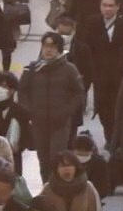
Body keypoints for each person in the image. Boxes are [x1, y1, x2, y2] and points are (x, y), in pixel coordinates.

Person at [18, 32, 85, 182]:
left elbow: (79, 93)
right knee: (43, 160)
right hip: (39, 122)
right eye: (45, 46)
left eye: (53, 46)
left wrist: (66, 111)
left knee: (56, 158)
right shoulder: (33, 69)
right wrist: (30, 110)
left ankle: (58, 188)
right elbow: (22, 91)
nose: (48, 50)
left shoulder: (69, 69)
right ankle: (46, 188)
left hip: (60, 123)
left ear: (59, 49)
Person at [35, 152, 102, 211]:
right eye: (62, 166)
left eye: (69, 165)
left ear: (76, 168)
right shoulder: (48, 189)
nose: (66, 169)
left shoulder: (88, 188)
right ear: (56, 169)